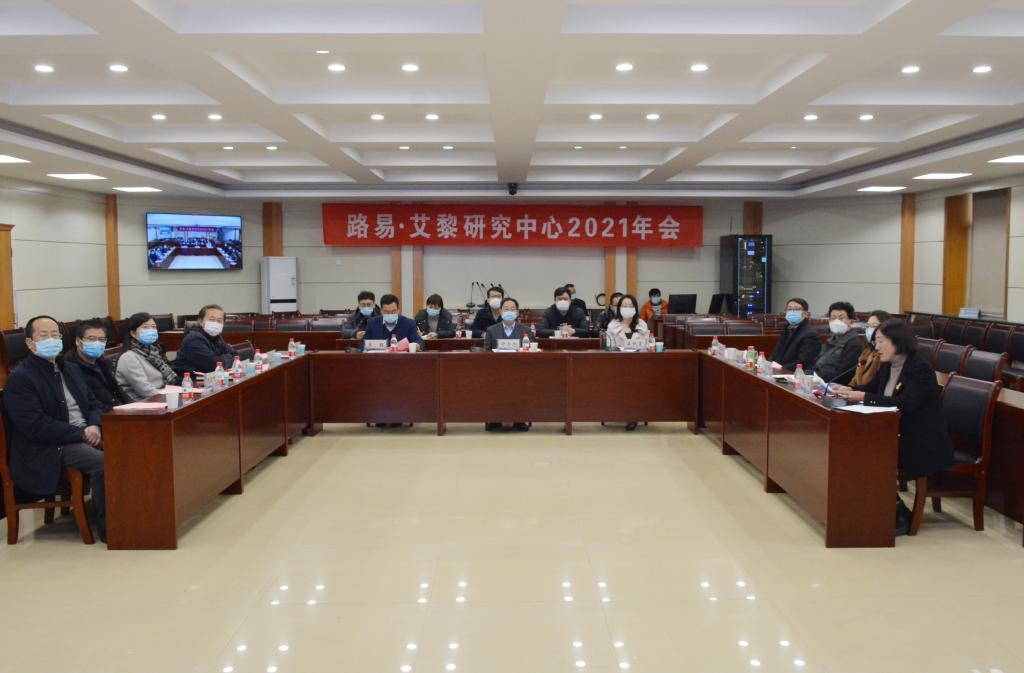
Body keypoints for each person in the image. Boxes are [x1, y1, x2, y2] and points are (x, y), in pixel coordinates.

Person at [833, 319, 954, 536]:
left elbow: (907, 403)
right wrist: (848, 390)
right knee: (851, 448)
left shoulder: (920, 368)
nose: (876, 347)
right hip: (894, 433)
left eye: (881, 341)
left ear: (898, 341)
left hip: (920, 440)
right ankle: (869, 507)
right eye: (875, 342)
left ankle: (900, 513)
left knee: (868, 453)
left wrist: (864, 397)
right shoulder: (888, 365)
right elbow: (871, 389)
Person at [3, 315, 107, 542]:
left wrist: (94, 424)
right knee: (104, 463)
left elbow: (94, 403)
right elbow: (36, 426)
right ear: (30, 343)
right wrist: (81, 434)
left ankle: (136, 513)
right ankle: (110, 528)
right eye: (44, 335)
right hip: (49, 446)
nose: (51, 339)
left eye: (55, 335)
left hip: (84, 432)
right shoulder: (21, 378)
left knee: (132, 447)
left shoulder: (68, 368)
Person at [483, 298, 530, 432]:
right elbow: (486, 352)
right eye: (506, 309)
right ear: (500, 311)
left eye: (512, 309)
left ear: (517, 312)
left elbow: (530, 353)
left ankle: (519, 420)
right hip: (496, 370)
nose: (509, 311)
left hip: (520, 370)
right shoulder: (491, 330)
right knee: (494, 385)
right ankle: (494, 419)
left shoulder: (526, 330)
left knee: (522, 383)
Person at [62, 318, 126, 412]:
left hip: (119, 410)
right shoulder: (70, 367)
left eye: (101, 340)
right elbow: (89, 403)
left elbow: (118, 391)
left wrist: (133, 407)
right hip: (103, 415)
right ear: (78, 341)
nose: (97, 343)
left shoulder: (104, 362)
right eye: (91, 339)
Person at [116, 312, 180, 402]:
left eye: (153, 327)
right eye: (145, 327)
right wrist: (171, 397)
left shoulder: (154, 352)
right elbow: (145, 391)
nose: (151, 330)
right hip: (142, 402)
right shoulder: (128, 357)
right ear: (133, 333)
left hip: (161, 396)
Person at [172, 304, 237, 379]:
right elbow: (214, 366)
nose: (215, 323)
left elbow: (236, 356)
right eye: (211, 320)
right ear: (200, 321)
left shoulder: (217, 337)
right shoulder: (194, 338)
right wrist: (227, 358)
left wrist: (222, 359)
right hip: (188, 381)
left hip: (208, 379)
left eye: (219, 321)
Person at [812, 301, 862, 384]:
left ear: (851, 321)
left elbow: (841, 374)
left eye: (841, 318)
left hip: (832, 385)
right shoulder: (830, 340)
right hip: (817, 380)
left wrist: (815, 378)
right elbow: (816, 362)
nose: (836, 321)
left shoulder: (854, 344)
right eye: (833, 318)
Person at [770, 297, 821, 371]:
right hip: (779, 371)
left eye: (797, 309)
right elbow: (776, 354)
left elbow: (804, 362)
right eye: (789, 309)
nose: (792, 312)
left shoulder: (810, 335)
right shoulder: (787, 329)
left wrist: (781, 369)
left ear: (806, 314)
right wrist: (769, 365)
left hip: (793, 373)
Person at [361, 294, 425, 350]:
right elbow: (362, 344)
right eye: (387, 312)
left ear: (398, 310)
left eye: (393, 311)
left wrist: (416, 345)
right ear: (381, 311)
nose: (390, 314)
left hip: (401, 358)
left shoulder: (409, 323)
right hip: (379, 358)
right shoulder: (372, 323)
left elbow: (419, 341)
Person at [850, 310, 892, 387]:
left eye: (874, 326)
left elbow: (873, 385)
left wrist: (852, 391)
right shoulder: (867, 351)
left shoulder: (884, 355)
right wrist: (847, 389)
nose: (870, 329)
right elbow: (855, 379)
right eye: (868, 326)